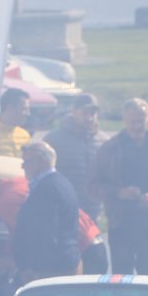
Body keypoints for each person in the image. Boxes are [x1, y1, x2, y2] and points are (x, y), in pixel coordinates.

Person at [94, 98, 148, 275]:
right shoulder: (110, 149)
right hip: (120, 226)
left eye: (141, 121)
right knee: (121, 280)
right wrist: (119, 193)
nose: (136, 126)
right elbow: (93, 186)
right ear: (124, 120)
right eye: (132, 121)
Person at [13, 140, 81, 281]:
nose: (22, 166)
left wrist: (31, 267)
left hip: (50, 268)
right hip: (62, 260)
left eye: (27, 162)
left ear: (41, 161)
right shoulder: (59, 182)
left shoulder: (47, 189)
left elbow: (45, 233)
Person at [46, 92, 105, 221]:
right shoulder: (54, 140)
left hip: (93, 211)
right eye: (85, 113)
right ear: (73, 112)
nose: (89, 118)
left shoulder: (104, 141)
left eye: (93, 113)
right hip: (63, 209)